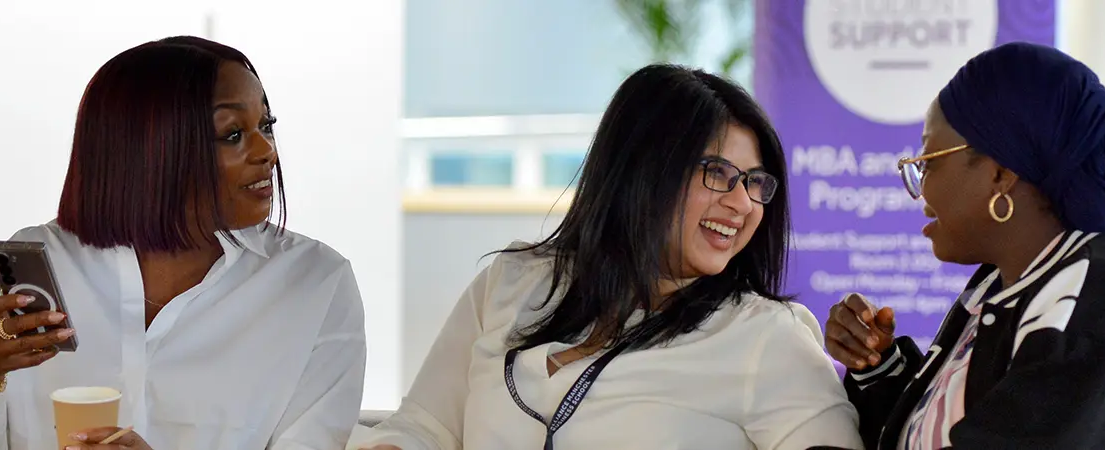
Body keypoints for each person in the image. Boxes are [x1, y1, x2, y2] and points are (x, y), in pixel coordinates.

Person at [352, 64, 862, 450]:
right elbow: (426, 426)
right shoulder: (512, 281)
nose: (742, 202)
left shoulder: (766, 336)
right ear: (641, 169)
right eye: (718, 173)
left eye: (755, 183)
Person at [0, 36, 366, 450]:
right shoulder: (26, 279)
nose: (267, 150)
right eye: (233, 134)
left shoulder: (315, 286)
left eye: (265, 125)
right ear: (152, 151)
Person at [823, 42, 1105, 449]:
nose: (920, 191)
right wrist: (879, 366)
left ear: (1001, 174)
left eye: (929, 162)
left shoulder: (1099, 301)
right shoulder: (1004, 283)